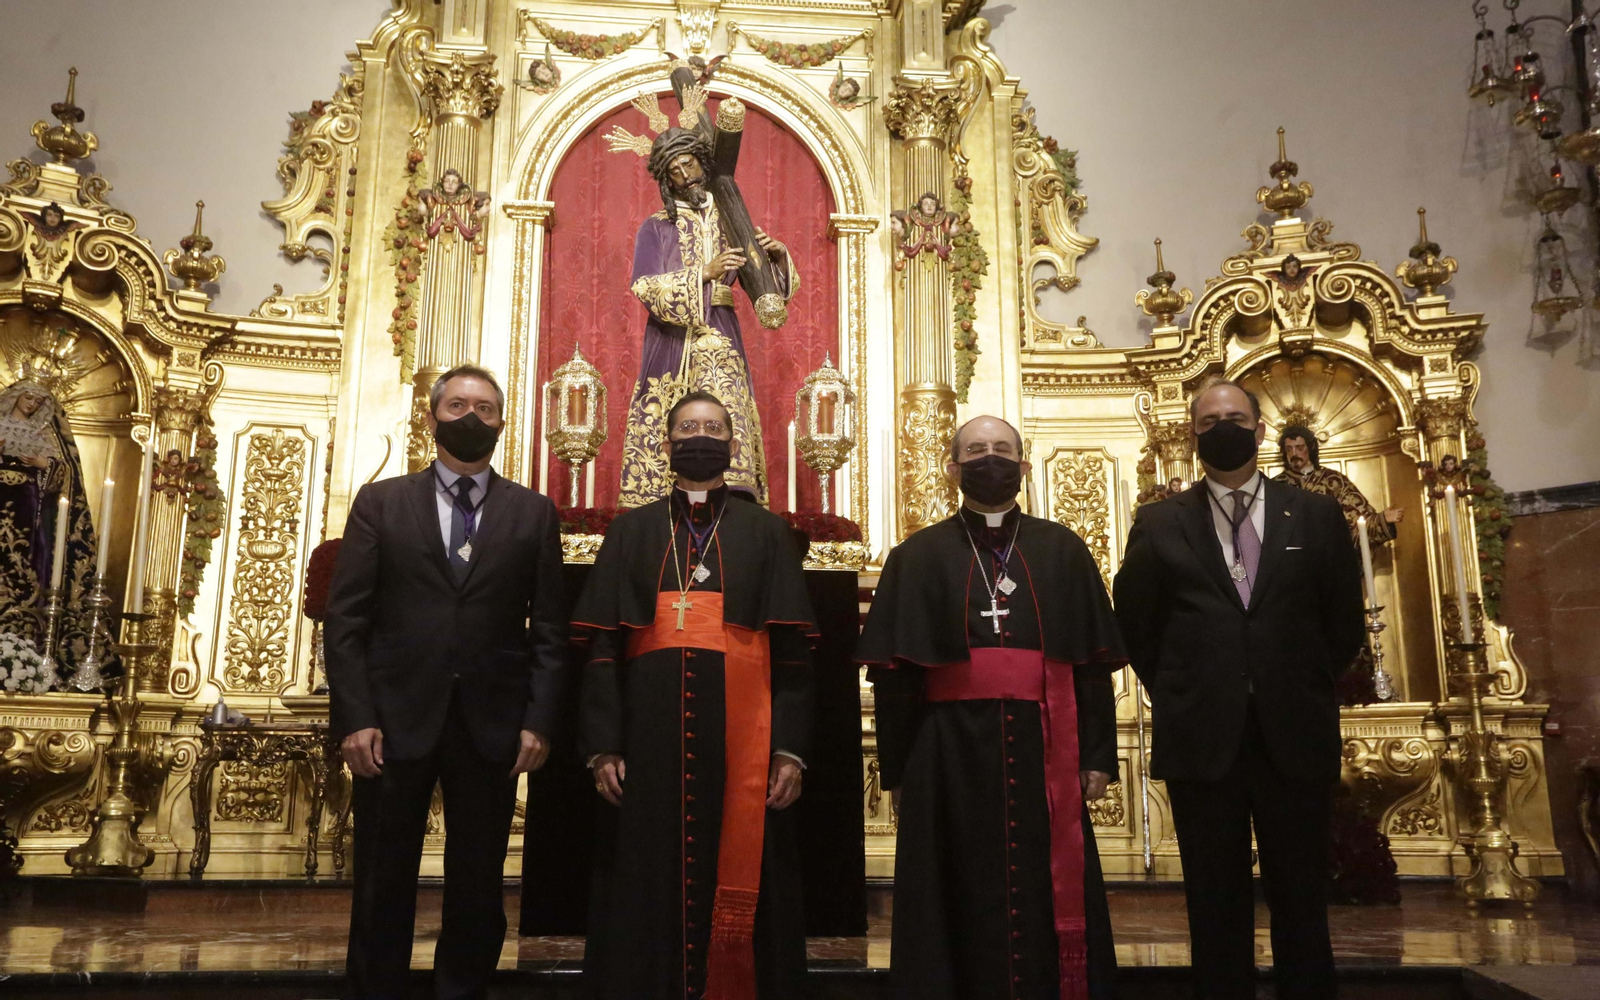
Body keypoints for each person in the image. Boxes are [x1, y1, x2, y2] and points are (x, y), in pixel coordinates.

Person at [1113, 378, 1364, 1000]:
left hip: (1295, 732)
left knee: (1302, 895)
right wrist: (1183, 689)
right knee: (1213, 897)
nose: (1221, 426)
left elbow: (1344, 625)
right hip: (1203, 735)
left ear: (1258, 427)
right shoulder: (1160, 521)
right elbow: (1137, 626)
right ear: (1193, 433)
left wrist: (1294, 681)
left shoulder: (1314, 512)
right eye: (1207, 420)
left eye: (1234, 416)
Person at [860, 415, 1125, 1000]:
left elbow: (1092, 667)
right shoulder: (917, 555)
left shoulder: (1062, 549)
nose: (990, 458)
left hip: (1045, 747)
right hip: (945, 751)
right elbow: (895, 680)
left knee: (1044, 882)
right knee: (949, 886)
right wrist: (899, 770)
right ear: (952, 468)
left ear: (1024, 466)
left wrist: (1098, 756)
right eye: (975, 450)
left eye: (1002, 449)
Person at [324, 364, 567, 1000]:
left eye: (485, 408)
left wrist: (539, 719)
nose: (470, 417)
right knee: (383, 873)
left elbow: (549, 631)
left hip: (491, 721)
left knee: (479, 876)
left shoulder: (534, 512)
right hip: (392, 720)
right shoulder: (381, 503)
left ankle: (464, 990)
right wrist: (355, 717)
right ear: (432, 419)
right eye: (457, 405)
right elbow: (347, 620)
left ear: (502, 423)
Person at [575, 391, 815, 1000]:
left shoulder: (767, 533)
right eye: (688, 428)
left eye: (712, 428)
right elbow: (602, 650)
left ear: (733, 447)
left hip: (743, 739)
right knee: (644, 878)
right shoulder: (631, 530)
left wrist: (789, 749)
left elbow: (792, 656)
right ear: (667, 445)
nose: (699, 437)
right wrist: (602, 747)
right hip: (647, 741)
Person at [616, 126, 797, 508]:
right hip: (673, 343)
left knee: (728, 406)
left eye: (689, 164)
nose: (686, 176)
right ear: (666, 180)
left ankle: (734, 492)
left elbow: (767, 295)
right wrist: (704, 273)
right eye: (675, 172)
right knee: (671, 415)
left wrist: (776, 257)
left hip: (723, 334)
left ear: (702, 162)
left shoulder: (731, 218)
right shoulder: (656, 226)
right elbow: (645, 286)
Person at [0, 360, 99, 636]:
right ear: (16, 396)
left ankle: (26, 625)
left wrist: (44, 464)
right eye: (28, 397)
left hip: (29, 508)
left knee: (29, 560)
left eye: (38, 400)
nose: (31, 404)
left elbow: (66, 474)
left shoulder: (45, 433)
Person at [1275, 423, 1402, 548]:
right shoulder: (1276, 486)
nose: (1294, 454)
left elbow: (1360, 522)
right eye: (1289, 449)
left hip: (1328, 559)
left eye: (1300, 447)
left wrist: (1382, 520)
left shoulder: (1333, 481)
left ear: (1310, 448)